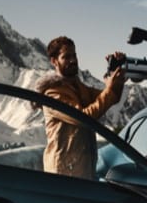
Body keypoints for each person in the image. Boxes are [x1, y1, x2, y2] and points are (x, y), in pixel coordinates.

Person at [35, 36, 126, 179]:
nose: (73, 60)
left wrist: (115, 75)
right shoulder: (53, 94)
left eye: (74, 55)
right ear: (54, 61)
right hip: (63, 173)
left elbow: (111, 97)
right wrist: (109, 88)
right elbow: (84, 117)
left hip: (83, 169)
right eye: (66, 57)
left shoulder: (78, 88)